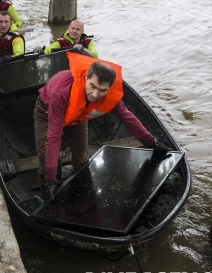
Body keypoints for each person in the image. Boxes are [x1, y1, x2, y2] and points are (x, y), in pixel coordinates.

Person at [34, 52, 171, 200]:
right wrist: (49, 179)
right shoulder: (60, 93)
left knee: (81, 157)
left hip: (78, 116)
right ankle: (46, 191)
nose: (94, 94)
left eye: (102, 90)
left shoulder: (109, 96)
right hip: (47, 113)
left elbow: (128, 118)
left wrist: (152, 143)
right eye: (92, 86)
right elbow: (54, 136)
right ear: (86, 77)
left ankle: (82, 196)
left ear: (109, 88)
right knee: (46, 155)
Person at [33, 20, 98, 58]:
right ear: (68, 29)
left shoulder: (88, 42)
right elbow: (49, 49)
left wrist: (82, 49)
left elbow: (95, 55)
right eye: (72, 28)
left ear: (82, 31)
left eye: (78, 29)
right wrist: (40, 50)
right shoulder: (61, 42)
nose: (74, 31)